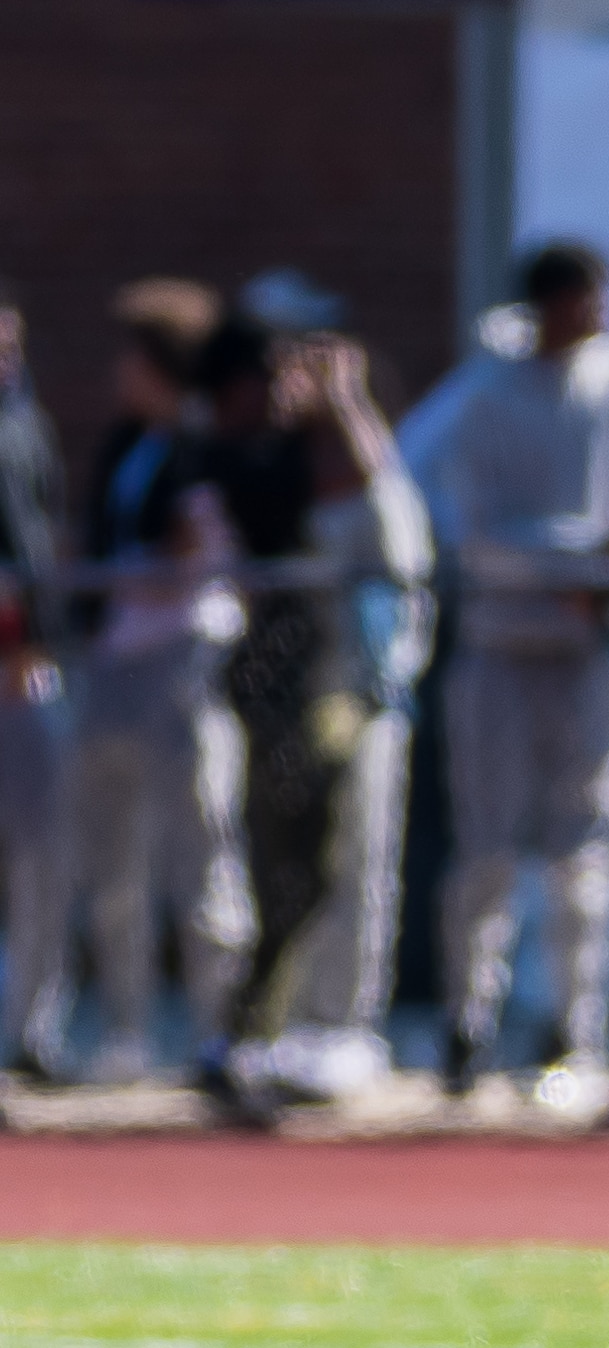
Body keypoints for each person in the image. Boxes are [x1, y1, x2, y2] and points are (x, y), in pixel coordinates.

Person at [192, 301, 430, 1116]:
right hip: (289, 699)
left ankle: (342, 1025)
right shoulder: (268, 464)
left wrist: (350, 403)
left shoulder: (367, 465)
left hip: (358, 695)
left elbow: (398, 539)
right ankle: (271, 1023)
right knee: (285, 865)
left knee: (361, 857)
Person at [436, 240, 609, 1103]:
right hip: (498, 647)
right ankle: (469, 1023)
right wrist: (578, 564)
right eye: (583, 298)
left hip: (590, 651)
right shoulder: (487, 395)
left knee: (585, 849)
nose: (597, 314)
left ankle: (576, 1028)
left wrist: (604, 583)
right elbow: (476, 534)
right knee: (486, 848)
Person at [72, 281, 250, 1082]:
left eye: (133, 357)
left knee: (201, 851)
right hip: (115, 663)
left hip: (184, 662)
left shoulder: (204, 449)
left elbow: (195, 552)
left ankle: (218, 1030)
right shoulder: (121, 447)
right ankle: (126, 1031)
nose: (120, 372)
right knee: (116, 864)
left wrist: (138, 571)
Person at [0, 291, 74, 1082]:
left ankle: (33, 1029)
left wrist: (44, 632)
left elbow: (44, 542)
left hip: (25, 671)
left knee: (42, 852)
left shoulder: (27, 426)